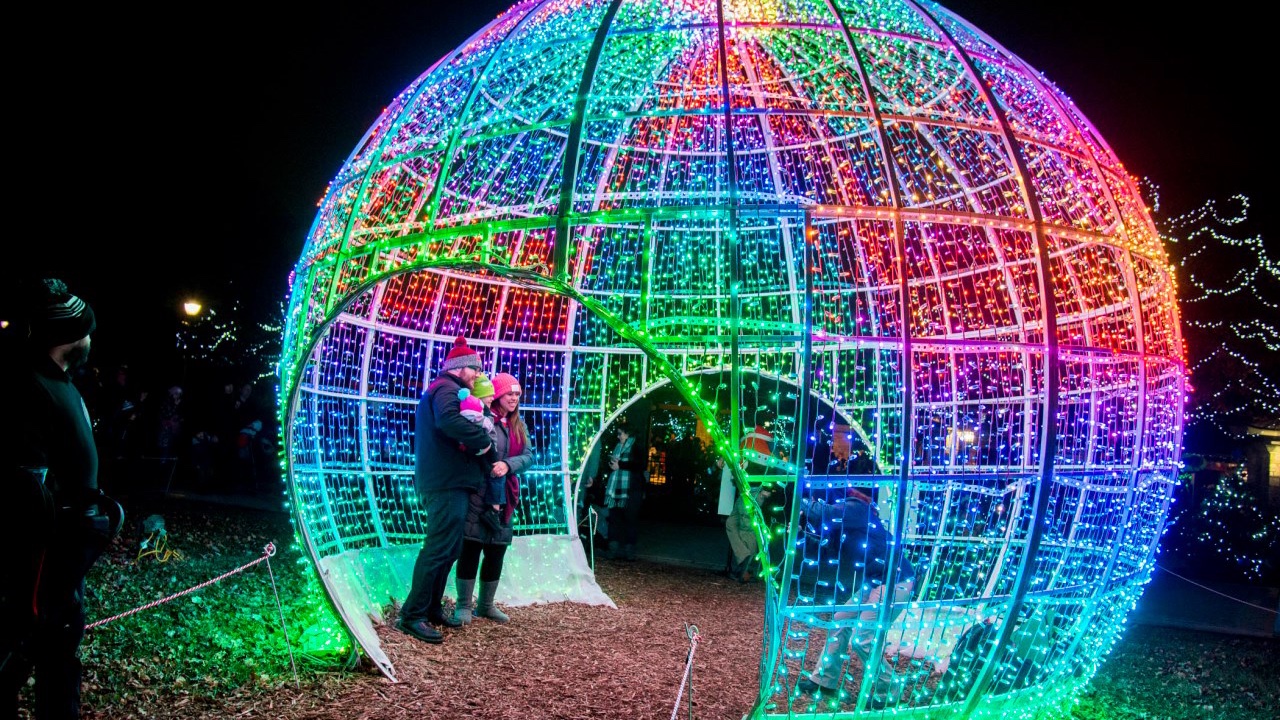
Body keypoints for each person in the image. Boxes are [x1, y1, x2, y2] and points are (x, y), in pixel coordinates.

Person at [2, 278, 122, 719]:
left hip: (65, 556)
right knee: (18, 657)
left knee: (58, 662)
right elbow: (23, 483)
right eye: (87, 331)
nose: (91, 339)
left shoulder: (58, 381)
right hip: (39, 564)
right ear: (70, 335)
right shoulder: (28, 386)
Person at [398, 337, 497, 644]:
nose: (479, 375)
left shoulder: (449, 390)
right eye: (476, 370)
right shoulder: (445, 389)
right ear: (462, 369)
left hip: (452, 482)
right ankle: (412, 615)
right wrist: (485, 440)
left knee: (449, 549)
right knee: (439, 547)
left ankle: (430, 608)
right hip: (445, 483)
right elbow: (449, 422)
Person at [793, 487, 915, 710]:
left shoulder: (858, 509)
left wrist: (797, 495)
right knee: (840, 620)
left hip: (895, 582)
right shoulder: (849, 515)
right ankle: (824, 681)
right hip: (875, 580)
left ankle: (889, 692)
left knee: (863, 639)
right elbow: (825, 538)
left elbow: (824, 513)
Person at [453, 372, 531, 625]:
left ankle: (486, 606)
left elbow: (529, 456)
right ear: (497, 394)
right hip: (479, 493)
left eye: (517, 394)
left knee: (496, 551)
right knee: (471, 547)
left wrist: (508, 465)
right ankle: (463, 606)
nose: (514, 398)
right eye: (510, 393)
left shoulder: (519, 425)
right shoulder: (482, 419)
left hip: (506, 497)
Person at [603, 419, 646, 560]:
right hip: (616, 489)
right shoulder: (617, 447)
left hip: (631, 489)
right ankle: (613, 548)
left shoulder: (636, 447)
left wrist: (620, 464)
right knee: (614, 519)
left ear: (628, 434)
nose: (618, 436)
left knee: (631, 519)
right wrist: (612, 464)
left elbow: (639, 465)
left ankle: (629, 549)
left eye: (620, 433)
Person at [716, 455, 759, 582]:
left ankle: (746, 569)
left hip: (752, 490)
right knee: (732, 523)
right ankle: (745, 561)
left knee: (747, 528)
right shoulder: (745, 445)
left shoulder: (752, 446)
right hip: (745, 490)